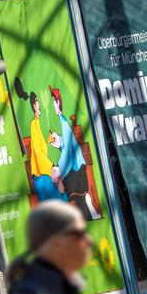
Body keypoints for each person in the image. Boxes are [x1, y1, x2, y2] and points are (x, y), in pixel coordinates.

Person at [48, 86, 100, 220]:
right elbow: (67, 144)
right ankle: (90, 211)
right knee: (79, 202)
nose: (53, 104)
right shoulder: (63, 121)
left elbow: (68, 149)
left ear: (58, 102)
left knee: (79, 201)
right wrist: (59, 141)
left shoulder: (64, 121)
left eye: (54, 101)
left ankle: (90, 211)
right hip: (76, 169)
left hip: (75, 170)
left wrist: (58, 168)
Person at [28, 92, 66, 202]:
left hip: (46, 173)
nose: (38, 104)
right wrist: (52, 168)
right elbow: (38, 152)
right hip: (41, 176)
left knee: (64, 196)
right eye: (36, 101)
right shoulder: (34, 124)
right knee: (62, 197)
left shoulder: (38, 123)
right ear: (33, 106)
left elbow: (41, 144)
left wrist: (49, 140)